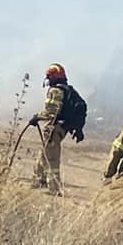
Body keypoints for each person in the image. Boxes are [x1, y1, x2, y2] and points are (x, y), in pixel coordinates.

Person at [26, 62, 86, 196]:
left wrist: (37, 117)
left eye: (49, 77)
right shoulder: (68, 90)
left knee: (52, 158)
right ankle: (38, 180)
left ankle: (54, 188)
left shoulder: (55, 91)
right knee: (44, 153)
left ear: (53, 77)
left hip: (54, 128)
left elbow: (51, 112)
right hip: (61, 128)